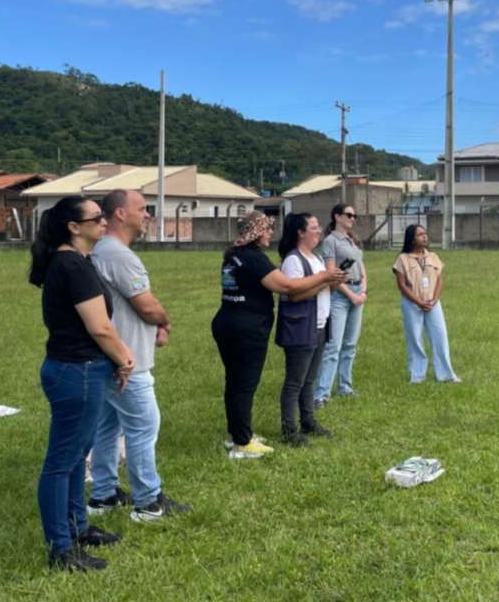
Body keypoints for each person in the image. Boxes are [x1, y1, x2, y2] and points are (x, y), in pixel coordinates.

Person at [30, 196, 135, 572]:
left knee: (76, 457)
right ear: (74, 227)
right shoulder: (71, 265)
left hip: (79, 370)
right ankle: (61, 550)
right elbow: (100, 327)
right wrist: (124, 359)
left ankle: (78, 528)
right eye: (97, 217)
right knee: (61, 464)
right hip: (77, 372)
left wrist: (117, 359)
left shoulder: (77, 260)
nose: (104, 221)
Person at [88, 189, 189, 522]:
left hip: (108, 358)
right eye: (142, 208)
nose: (147, 215)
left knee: (107, 426)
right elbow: (146, 305)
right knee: (144, 425)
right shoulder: (117, 254)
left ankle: (103, 495)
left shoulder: (102, 250)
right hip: (126, 361)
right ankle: (148, 502)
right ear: (120, 213)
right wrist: (165, 321)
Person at [212, 211, 344, 460]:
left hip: (228, 321)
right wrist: (324, 277)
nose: (270, 234)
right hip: (246, 327)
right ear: (255, 232)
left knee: (236, 382)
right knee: (245, 384)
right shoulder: (253, 258)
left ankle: (236, 434)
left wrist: (325, 279)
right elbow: (286, 286)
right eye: (266, 229)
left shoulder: (234, 256)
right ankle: (242, 443)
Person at [275, 213, 335, 446]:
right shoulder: (293, 260)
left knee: (309, 380)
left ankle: (308, 422)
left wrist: (332, 281)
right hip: (300, 327)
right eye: (314, 227)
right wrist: (323, 280)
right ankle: (289, 430)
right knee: (295, 382)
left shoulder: (316, 258)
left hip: (318, 325)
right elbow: (294, 294)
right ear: (301, 233)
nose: (318, 231)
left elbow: (323, 287)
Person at [392, 225, 461, 385]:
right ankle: (417, 375)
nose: (424, 237)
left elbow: (439, 281)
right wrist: (418, 302)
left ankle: (446, 374)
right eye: (420, 235)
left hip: (432, 303)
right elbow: (401, 285)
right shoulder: (403, 259)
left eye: (425, 234)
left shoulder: (433, 257)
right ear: (412, 239)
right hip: (412, 303)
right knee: (415, 338)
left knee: (440, 336)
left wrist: (434, 300)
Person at [314, 203, 367, 404]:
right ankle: (321, 394)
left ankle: (345, 387)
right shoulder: (330, 241)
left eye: (354, 216)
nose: (352, 218)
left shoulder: (352, 241)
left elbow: (362, 269)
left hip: (357, 292)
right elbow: (331, 274)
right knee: (333, 346)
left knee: (350, 345)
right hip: (340, 296)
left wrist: (363, 291)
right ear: (337, 217)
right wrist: (351, 295)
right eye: (349, 215)